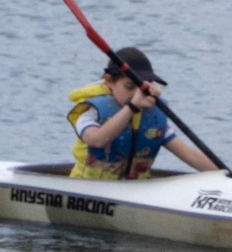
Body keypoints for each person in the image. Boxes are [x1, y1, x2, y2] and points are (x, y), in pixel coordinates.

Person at [68, 46, 219, 180]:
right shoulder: (92, 111)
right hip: (88, 187)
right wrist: (132, 106)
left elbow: (189, 155)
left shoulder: (151, 116)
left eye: (141, 88)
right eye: (129, 86)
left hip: (133, 191)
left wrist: (228, 177)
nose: (136, 93)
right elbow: (97, 140)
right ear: (109, 81)